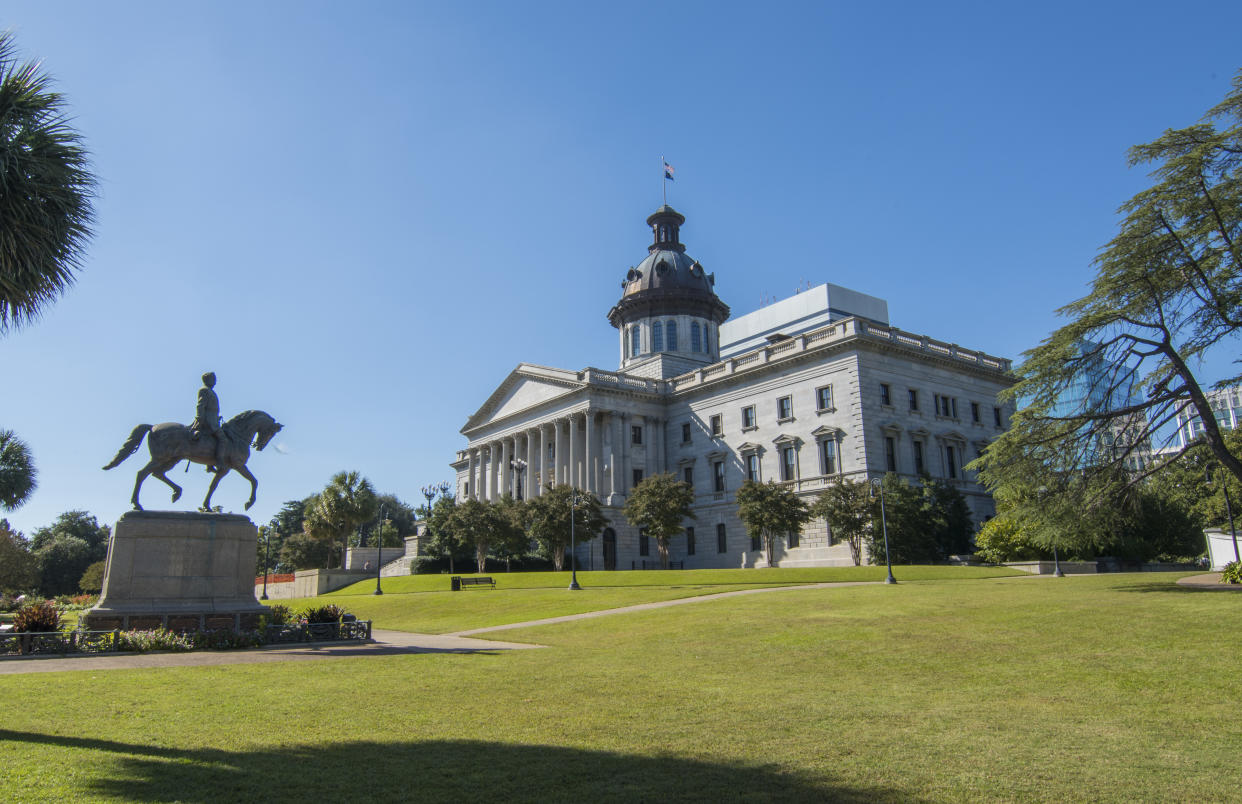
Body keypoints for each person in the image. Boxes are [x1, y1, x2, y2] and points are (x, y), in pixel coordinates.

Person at [190, 371, 227, 473]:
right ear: (208, 380)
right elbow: (200, 406)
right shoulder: (204, 390)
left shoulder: (210, 391)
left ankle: (209, 464)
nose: (215, 381)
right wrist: (200, 419)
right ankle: (219, 461)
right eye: (213, 379)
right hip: (208, 421)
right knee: (223, 439)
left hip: (213, 419)